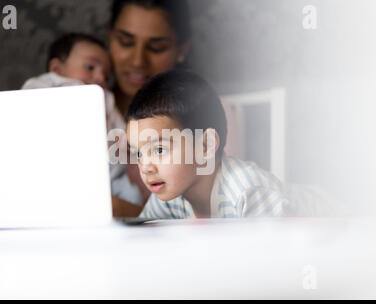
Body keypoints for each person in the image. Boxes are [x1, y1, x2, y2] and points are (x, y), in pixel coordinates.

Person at [126, 70, 293, 219]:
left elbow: (281, 251)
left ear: (205, 146)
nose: (145, 168)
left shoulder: (247, 192)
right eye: (138, 154)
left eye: (159, 150)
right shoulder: (168, 196)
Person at [21, 33, 142, 208]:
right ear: (57, 69)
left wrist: (128, 142)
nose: (100, 78)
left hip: (108, 167)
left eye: (106, 76)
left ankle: (135, 212)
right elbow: (25, 106)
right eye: (90, 67)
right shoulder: (46, 84)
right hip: (62, 160)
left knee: (131, 191)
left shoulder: (106, 97)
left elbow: (121, 128)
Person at [108, 0, 192, 214]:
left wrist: (121, 210)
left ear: (181, 50)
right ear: (110, 38)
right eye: (126, 42)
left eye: (156, 48)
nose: (137, 61)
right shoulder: (83, 111)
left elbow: (212, 215)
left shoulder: (206, 115)